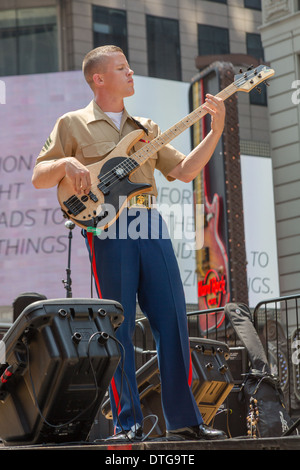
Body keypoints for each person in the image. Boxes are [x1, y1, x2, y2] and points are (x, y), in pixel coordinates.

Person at [32, 45, 227, 441]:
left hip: (149, 221)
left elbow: (186, 171)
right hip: (107, 229)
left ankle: (185, 423)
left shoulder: (147, 128)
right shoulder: (72, 123)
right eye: (122, 68)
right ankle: (128, 424)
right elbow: (39, 175)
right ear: (98, 78)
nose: (131, 72)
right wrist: (65, 164)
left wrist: (216, 129)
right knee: (116, 328)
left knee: (173, 321)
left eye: (129, 67)